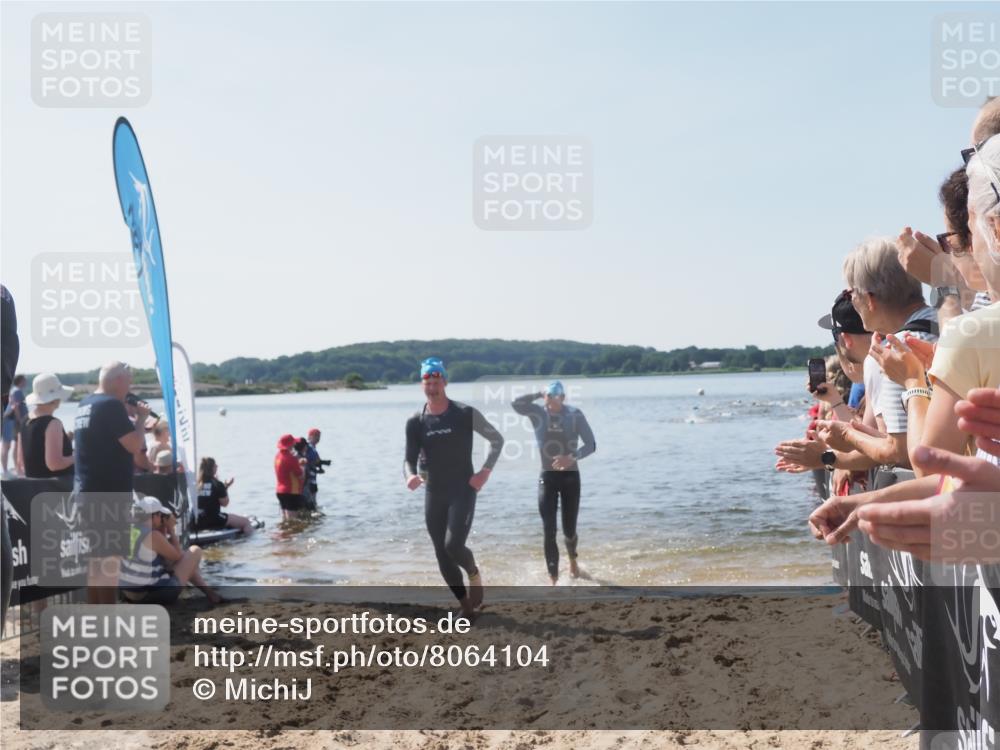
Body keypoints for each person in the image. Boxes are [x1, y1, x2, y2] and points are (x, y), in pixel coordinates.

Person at [404, 358, 504, 616]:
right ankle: (466, 606)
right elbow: (408, 458)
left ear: (445, 382)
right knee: (441, 552)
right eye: (428, 383)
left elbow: (497, 440)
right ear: (422, 385)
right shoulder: (416, 421)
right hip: (434, 492)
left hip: (463, 489)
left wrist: (485, 472)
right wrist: (410, 475)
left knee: (453, 546)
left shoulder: (463, 413)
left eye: (437, 382)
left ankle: (473, 573)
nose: (432, 388)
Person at [74, 362, 154, 604]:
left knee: (95, 562)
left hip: (86, 491)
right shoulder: (110, 405)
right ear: (118, 380)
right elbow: (133, 446)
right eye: (129, 381)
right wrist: (140, 419)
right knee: (109, 562)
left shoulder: (84, 404)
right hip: (108, 494)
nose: (130, 387)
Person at [512, 381, 596, 584]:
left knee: (569, 531)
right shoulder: (538, 413)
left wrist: (571, 457)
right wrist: (537, 393)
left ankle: (573, 560)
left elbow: (591, 444)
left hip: (570, 478)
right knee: (549, 529)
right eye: (548, 397)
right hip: (547, 478)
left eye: (556, 397)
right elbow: (516, 403)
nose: (551, 402)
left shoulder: (574, 414)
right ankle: (554, 580)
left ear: (563, 398)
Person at [119, 496, 221, 605]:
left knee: (174, 559)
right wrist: (171, 529)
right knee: (194, 551)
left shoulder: (129, 529)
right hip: (150, 596)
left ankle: (210, 593)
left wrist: (162, 529)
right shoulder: (153, 536)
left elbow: (161, 554)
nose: (161, 518)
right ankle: (210, 594)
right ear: (153, 516)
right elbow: (177, 556)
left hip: (128, 593)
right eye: (160, 515)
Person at [19, 373, 74, 479]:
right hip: (55, 489)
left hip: (33, 489)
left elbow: (21, 461)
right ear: (54, 399)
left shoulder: (25, 420)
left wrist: (66, 441)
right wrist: (78, 456)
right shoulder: (53, 423)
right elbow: (54, 464)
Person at [194, 457, 254, 534]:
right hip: (214, 519)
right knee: (246, 522)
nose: (217, 466)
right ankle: (250, 543)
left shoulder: (196, 484)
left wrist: (224, 487)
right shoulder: (217, 484)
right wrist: (225, 488)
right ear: (212, 468)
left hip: (197, 520)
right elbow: (225, 503)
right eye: (215, 465)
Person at [275, 433, 308, 519]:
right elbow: (301, 476)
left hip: (280, 492)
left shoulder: (277, 456)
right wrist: (303, 466)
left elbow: (287, 470)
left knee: (285, 519)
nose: (294, 444)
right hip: (291, 492)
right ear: (290, 445)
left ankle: (283, 532)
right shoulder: (291, 458)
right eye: (293, 443)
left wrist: (298, 464)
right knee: (293, 521)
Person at [2, 374, 28, 478]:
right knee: (7, 445)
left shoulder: (13, 390)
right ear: (21, 381)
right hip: (11, 421)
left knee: (15, 445)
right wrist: (21, 420)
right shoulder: (17, 391)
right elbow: (16, 406)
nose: (26, 382)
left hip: (12, 421)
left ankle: (16, 468)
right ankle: (6, 470)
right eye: (25, 380)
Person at [304, 428, 329, 502]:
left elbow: (316, 461)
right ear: (310, 436)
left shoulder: (313, 448)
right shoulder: (307, 447)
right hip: (307, 479)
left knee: (313, 500)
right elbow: (306, 462)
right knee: (309, 501)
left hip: (313, 478)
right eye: (316, 436)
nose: (318, 439)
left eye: (319, 436)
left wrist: (323, 463)